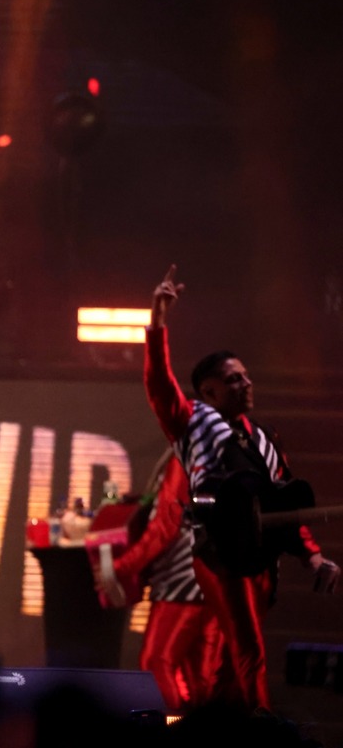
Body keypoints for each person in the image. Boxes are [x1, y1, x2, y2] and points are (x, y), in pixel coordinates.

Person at [143, 264, 340, 713]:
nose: (246, 383)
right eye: (233, 379)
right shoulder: (192, 421)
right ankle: (263, 734)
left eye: (246, 376)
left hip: (260, 558)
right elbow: (158, 385)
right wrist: (157, 320)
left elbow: (286, 505)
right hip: (221, 556)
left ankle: (220, 730)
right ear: (208, 392)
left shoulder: (264, 438)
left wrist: (313, 557)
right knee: (250, 651)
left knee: (231, 668)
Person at [95, 451, 224, 714]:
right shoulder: (212, 453)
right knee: (199, 677)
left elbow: (165, 526)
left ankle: (172, 729)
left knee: (156, 663)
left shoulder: (186, 457)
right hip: (210, 576)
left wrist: (120, 567)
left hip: (182, 580)